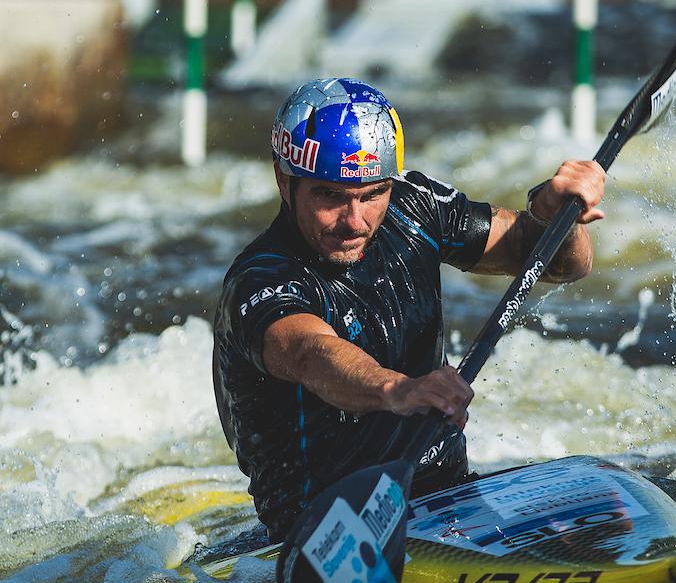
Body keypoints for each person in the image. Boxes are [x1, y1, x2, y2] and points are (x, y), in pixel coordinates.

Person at [213, 78, 605, 542]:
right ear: (284, 180)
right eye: (329, 196)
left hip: (447, 499)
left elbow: (563, 263)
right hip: (323, 531)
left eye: (371, 194)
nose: (354, 221)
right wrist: (396, 389)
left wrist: (552, 214)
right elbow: (310, 352)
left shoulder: (414, 208)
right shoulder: (259, 279)